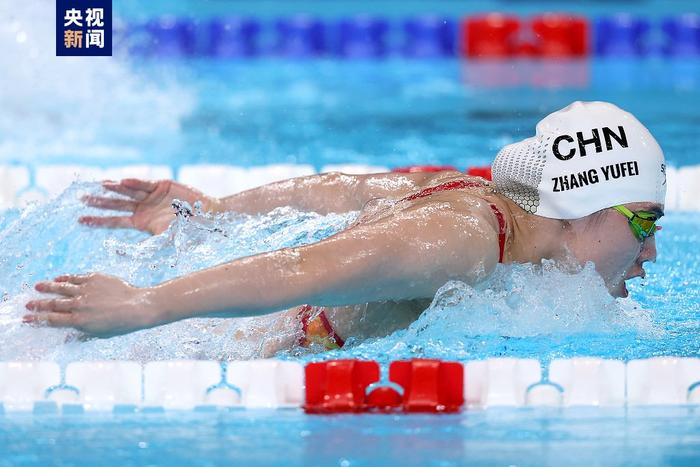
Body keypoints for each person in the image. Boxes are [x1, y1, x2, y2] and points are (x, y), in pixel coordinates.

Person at [24, 101, 666, 352]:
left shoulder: (485, 202)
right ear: (587, 202)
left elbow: (342, 188)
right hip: (212, 347)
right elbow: (301, 270)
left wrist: (216, 212)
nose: (654, 250)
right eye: (645, 221)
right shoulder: (462, 240)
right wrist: (142, 304)